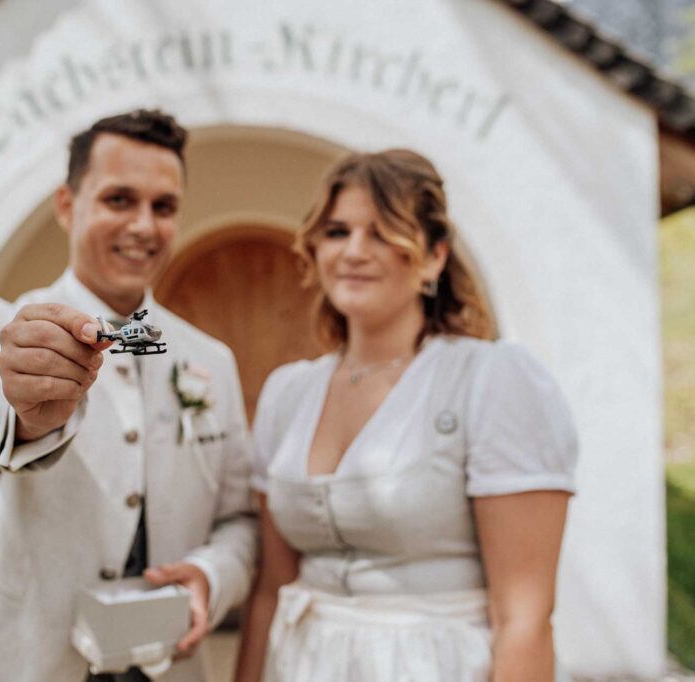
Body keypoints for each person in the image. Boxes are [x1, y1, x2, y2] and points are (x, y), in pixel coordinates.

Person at [0, 110, 256, 682]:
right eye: (119, 200)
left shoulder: (212, 361)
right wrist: (22, 408)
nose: (144, 226)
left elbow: (240, 519)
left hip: (166, 663)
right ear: (67, 206)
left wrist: (212, 577)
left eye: (164, 206)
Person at [234, 149, 578, 681]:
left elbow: (524, 618)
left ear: (435, 256)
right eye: (337, 232)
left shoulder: (490, 380)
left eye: (381, 233)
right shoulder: (288, 393)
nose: (354, 251)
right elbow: (270, 590)